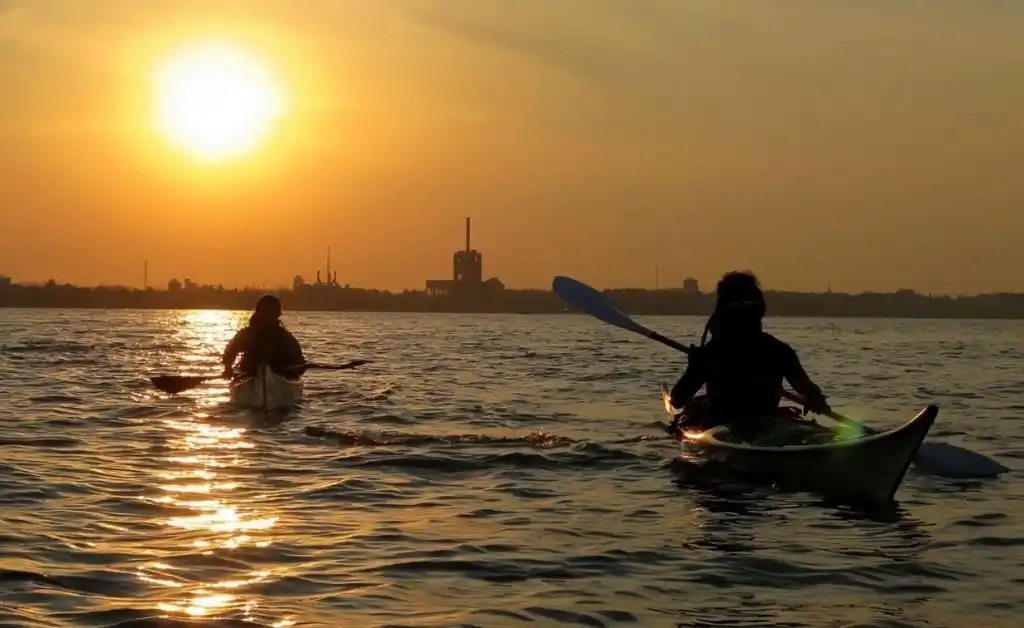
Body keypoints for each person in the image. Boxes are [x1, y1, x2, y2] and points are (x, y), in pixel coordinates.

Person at [668, 271, 830, 431]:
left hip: (723, 422)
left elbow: (677, 400)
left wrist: (694, 367)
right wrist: (815, 398)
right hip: (765, 421)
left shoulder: (713, 352)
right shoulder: (778, 350)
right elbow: (808, 390)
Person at [221, 294, 305, 380]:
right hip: (248, 372)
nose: (267, 315)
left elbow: (299, 361)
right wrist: (228, 367)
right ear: (258, 312)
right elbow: (229, 353)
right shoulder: (246, 334)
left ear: (277, 314)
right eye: (264, 311)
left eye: (270, 311)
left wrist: (296, 369)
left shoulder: (285, 337)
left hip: (280, 374)